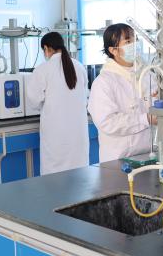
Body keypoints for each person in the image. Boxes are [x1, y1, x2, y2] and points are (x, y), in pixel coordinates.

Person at [88, 23, 155, 163]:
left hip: (149, 155)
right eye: (128, 41)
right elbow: (108, 122)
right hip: (118, 160)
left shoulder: (147, 74)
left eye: (136, 39)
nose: (135, 44)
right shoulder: (104, 82)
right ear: (113, 50)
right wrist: (145, 119)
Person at [25, 32, 89, 175]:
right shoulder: (79, 67)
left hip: (56, 137)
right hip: (77, 136)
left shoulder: (43, 69)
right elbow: (84, 95)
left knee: (54, 180)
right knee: (79, 178)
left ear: (46, 48)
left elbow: (33, 101)